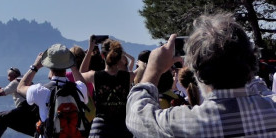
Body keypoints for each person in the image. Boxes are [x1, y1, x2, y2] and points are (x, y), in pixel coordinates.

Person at [126, 12, 276, 137]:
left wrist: (154, 69)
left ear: (197, 72)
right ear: (251, 64)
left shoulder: (183, 123)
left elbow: (137, 117)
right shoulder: (272, 110)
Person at [16, 44, 88, 138]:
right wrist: (73, 66)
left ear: (49, 66)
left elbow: (20, 87)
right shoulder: (79, 89)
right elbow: (81, 83)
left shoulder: (41, 91)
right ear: (68, 64)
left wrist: (35, 66)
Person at [80, 36, 135, 138]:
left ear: (102, 55)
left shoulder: (94, 76)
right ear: (119, 57)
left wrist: (90, 51)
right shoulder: (129, 76)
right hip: (122, 128)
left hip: (101, 128)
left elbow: (81, 74)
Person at [0, 67, 39, 138]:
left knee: (2, 117)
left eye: (8, 76)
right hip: (34, 110)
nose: (8, 78)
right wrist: (2, 89)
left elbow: (2, 93)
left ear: (12, 76)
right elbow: (10, 90)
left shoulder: (15, 82)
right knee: (33, 130)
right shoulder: (27, 81)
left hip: (24, 108)